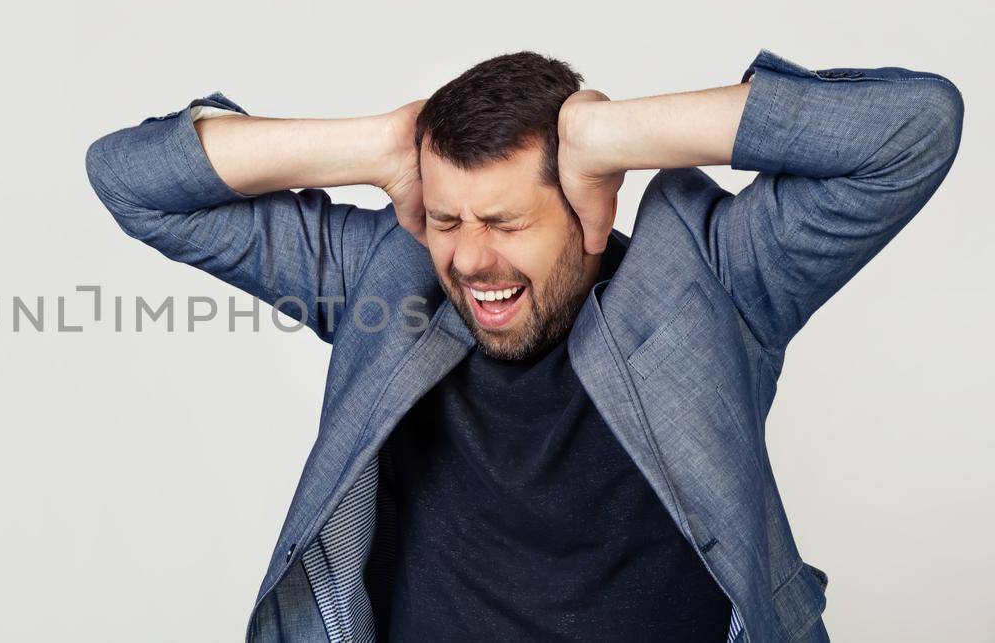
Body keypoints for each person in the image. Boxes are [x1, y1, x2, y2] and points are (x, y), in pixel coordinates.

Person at [83, 49, 962, 642]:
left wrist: (615, 136)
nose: (469, 257)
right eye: (445, 218)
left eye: (504, 220)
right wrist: (382, 146)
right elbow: (131, 179)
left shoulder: (716, 281)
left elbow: (915, 127)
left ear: (589, 204)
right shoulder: (386, 280)